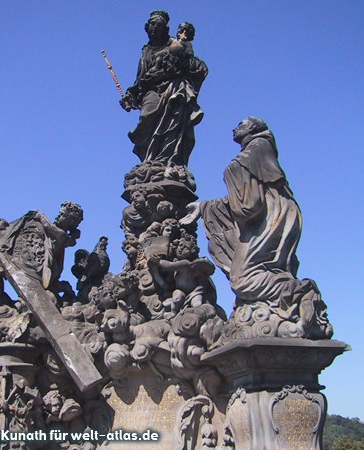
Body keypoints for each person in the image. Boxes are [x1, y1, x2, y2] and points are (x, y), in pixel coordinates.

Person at [181, 117, 332, 337]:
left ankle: (300, 293)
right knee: (264, 269)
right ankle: (282, 303)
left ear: (254, 128)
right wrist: (204, 206)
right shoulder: (260, 149)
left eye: (241, 124)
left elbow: (248, 206)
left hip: (271, 216)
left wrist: (216, 202)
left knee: (242, 278)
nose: (235, 127)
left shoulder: (249, 154)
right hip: (279, 211)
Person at [120, 10, 208, 167]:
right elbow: (141, 79)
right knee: (146, 117)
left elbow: (200, 68)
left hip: (172, 90)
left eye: (159, 25)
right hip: (152, 90)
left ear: (165, 29)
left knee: (172, 123)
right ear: (147, 28)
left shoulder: (175, 44)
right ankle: (148, 161)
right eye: (152, 24)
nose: (155, 27)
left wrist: (181, 63)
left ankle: (165, 162)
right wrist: (131, 96)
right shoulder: (145, 51)